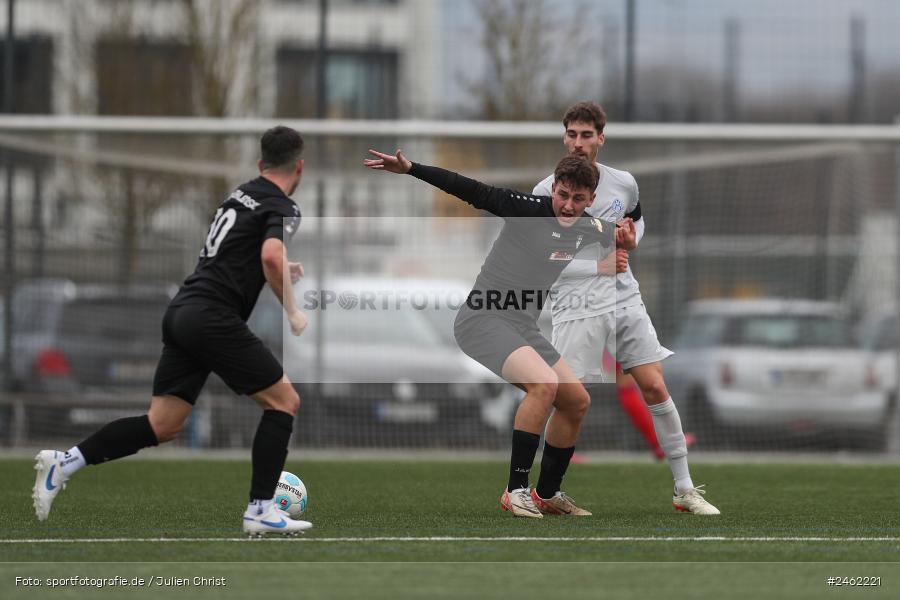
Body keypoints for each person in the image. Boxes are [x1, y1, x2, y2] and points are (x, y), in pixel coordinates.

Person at [32, 126, 315, 535]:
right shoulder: (283, 204)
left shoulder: (239, 193)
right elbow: (270, 254)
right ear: (300, 167)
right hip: (213, 317)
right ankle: (260, 510)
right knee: (284, 402)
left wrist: (277, 267)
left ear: (260, 163)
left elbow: (242, 255)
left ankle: (65, 462)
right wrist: (292, 310)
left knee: (162, 424)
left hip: (183, 310)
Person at [364, 149, 632, 518]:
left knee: (577, 401)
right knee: (544, 385)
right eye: (563, 195)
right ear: (553, 188)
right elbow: (468, 188)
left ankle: (547, 494)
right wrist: (411, 169)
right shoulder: (525, 209)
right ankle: (515, 490)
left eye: (578, 199)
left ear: (591, 200)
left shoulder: (590, 225)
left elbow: (616, 236)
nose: (568, 205)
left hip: (521, 326)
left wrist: (624, 244)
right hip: (482, 319)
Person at [534, 102, 718, 515]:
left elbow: (636, 220)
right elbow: (545, 263)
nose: (578, 143)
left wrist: (632, 240)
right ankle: (542, 491)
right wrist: (595, 264)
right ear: (564, 137)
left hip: (623, 295)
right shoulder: (545, 192)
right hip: (576, 304)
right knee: (570, 400)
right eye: (572, 135)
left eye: (587, 135)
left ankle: (685, 489)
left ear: (601, 137)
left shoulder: (624, 184)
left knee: (654, 385)